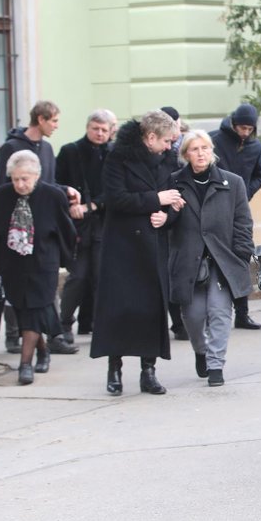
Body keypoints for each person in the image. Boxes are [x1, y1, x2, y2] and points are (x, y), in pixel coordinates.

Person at [90, 110, 185, 396]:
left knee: (151, 309)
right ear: (151, 137)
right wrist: (155, 200)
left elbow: (175, 198)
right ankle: (114, 368)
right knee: (118, 309)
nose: (170, 147)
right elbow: (115, 199)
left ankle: (149, 370)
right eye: (167, 141)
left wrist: (167, 216)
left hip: (152, 244)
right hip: (122, 246)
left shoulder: (167, 160)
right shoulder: (118, 157)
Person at [164, 131, 255, 387]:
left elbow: (243, 222)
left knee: (219, 311)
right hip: (188, 260)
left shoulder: (232, 182)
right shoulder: (174, 183)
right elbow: (167, 222)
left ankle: (216, 365)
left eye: (205, 147)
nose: (201, 153)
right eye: (194, 149)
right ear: (185, 155)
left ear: (212, 150)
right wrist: (171, 212)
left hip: (222, 260)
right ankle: (201, 351)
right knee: (192, 316)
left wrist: (241, 253)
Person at [0, 100, 79, 356]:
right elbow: (0, 187)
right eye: (53, 121)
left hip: (41, 234)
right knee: (18, 292)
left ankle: (51, 340)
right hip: (15, 231)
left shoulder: (47, 148)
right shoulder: (11, 147)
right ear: (40, 119)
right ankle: (13, 335)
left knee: (44, 292)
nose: (56, 126)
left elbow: (47, 185)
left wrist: (65, 191)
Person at [0, 151, 76, 385]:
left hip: (43, 263)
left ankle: (25, 365)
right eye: (15, 179)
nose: (20, 184)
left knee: (35, 309)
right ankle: (43, 349)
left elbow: (66, 231)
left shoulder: (53, 196)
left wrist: (68, 261)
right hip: (13, 265)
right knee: (24, 311)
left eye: (25, 178)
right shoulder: (0, 197)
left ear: (37, 175)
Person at [55, 109, 113, 345]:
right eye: (95, 129)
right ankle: (64, 324)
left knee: (102, 277)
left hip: (104, 224)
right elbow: (55, 182)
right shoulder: (71, 151)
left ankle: (102, 325)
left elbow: (116, 190)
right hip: (77, 225)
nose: (99, 134)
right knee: (77, 276)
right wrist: (70, 200)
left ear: (111, 132)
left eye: (104, 130)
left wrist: (93, 205)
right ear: (88, 128)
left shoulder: (114, 154)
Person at [210, 102, 261, 330]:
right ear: (233, 124)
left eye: (249, 129)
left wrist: (245, 192)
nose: (244, 132)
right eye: (241, 128)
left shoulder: (254, 147)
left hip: (240, 209)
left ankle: (242, 313)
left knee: (242, 255)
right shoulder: (214, 140)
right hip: (214, 207)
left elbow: (259, 174)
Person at [159, 105, 189, 341]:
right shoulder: (161, 154)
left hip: (186, 215)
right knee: (171, 272)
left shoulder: (188, 145)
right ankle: (177, 322)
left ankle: (185, 320)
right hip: (164, 217)